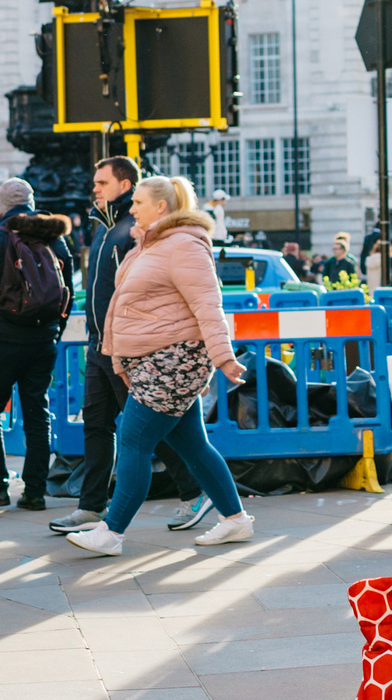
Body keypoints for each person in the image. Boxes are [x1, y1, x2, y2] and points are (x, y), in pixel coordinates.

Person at [66, 175, 253, 555]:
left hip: (174, 360)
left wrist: (223, 356)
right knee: (194, 445)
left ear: (161, 207)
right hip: (157, 360)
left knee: (133, 441)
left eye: (138, 202)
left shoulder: (183, 246)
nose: (131, 208)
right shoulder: (150, 245)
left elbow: (208, 304)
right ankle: (236, 520)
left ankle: (111, 532)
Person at [0, 177, 77, 512]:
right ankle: (35, 492)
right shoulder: (54, 237)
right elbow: (67, 290)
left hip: (1, 342)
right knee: (37, 414)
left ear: (1, 206)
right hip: (43, 341)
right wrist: (56, 329)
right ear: (32, 200)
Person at [53, 157, 139, 535]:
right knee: (97, 424)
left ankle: (194, 493)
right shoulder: (104, 228)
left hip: (120, 343)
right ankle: (91, 506)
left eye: (102, 182)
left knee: (143, 426)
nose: (95, 188)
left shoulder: (132, 228)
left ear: (125, 184)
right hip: (97, 341)